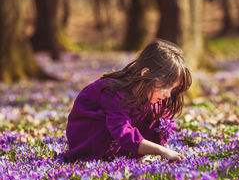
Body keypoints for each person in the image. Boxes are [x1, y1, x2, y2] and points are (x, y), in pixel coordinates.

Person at [61, 39, 191, 163]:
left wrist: (162, 135)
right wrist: (162, 151)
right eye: (164, 87)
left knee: (155, 119)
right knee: (122, 129)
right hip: (88, 136)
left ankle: (130, 156)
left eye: (172, 89)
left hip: (112, 136)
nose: (168, 94)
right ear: (145, 74)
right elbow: (122, 132)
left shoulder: (151, 96)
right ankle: (105, 156)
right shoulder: (113, 91)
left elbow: (160, 125)